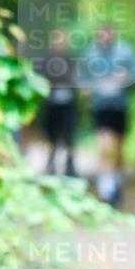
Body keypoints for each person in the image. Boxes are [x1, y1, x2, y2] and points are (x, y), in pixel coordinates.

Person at [82, 22, 135, 206]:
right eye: (101, 34)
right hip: (100, 107)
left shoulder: (126, 52)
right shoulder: (89, 54)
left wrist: (126, 78)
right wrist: (86, 88)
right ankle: (105, 186)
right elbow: (81, 79)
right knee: (105, 145)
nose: (105, 37)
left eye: (108, 33)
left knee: (118, 149)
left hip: (119, 106)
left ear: (114, 34)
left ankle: (117, 182)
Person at [39, 29, 79, 176]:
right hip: (51, 105)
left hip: (68, 105)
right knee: (51, 136)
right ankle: (51, 166)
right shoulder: (46, 60)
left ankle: (70, 168)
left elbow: (75, 80)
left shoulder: (70, 60)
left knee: (69, 136)